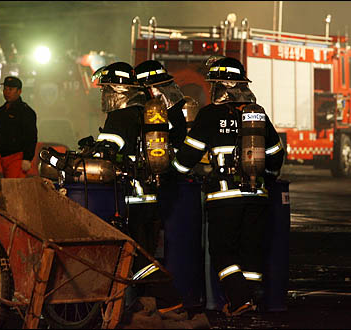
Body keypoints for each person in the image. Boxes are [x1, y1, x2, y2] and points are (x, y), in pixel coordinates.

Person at [172, 57, 285, 317]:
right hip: (257, 195)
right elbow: (277, 154)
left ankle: (239, 300)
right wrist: (263, 176)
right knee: (251, 252)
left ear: (220, 86)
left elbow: (188, 157)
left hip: (224, 197)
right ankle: (253, 301)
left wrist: (175, 170)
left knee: (222, 252)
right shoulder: (257, 113)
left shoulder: (210, 115)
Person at [91, 62, 186, 317]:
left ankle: (169, 299)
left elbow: (106, 152)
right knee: (144, 250)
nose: (105, 95)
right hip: (151, 196)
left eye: (107, 89)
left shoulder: (120, 116)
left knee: (135, 256)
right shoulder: (146, 111)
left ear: (119, 90)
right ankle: (141, 305)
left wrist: (91, 150)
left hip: (129, 198)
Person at [0, 76, 37, 178]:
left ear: (19, 91)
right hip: (3, 158)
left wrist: (27, 158)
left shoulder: (26, 112)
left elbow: (31, 136)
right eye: (5, 89)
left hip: (17, 158)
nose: (7, 92)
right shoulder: (1, 111)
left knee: (14, 189)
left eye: (11, 89)